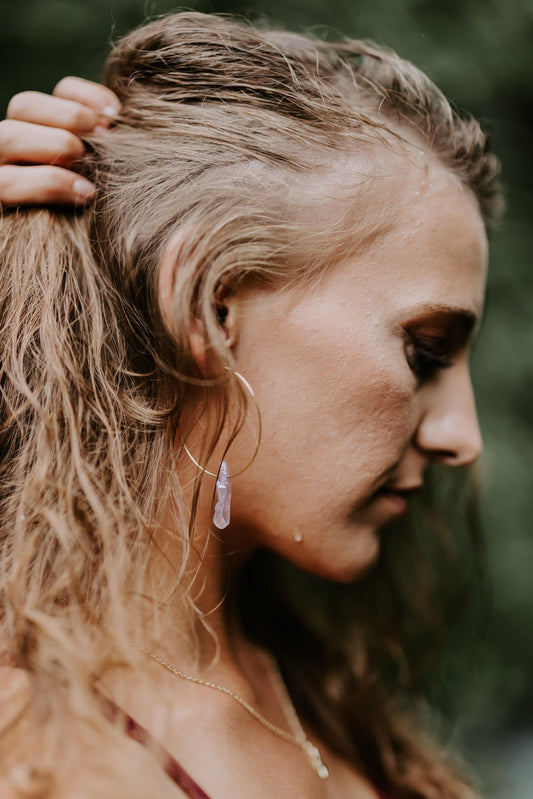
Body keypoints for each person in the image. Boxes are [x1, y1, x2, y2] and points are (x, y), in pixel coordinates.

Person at [0, 11, 501, 799]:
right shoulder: (36, 752)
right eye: (425, 350)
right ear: (210, 306)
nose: (459, 437)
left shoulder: (316, 687)